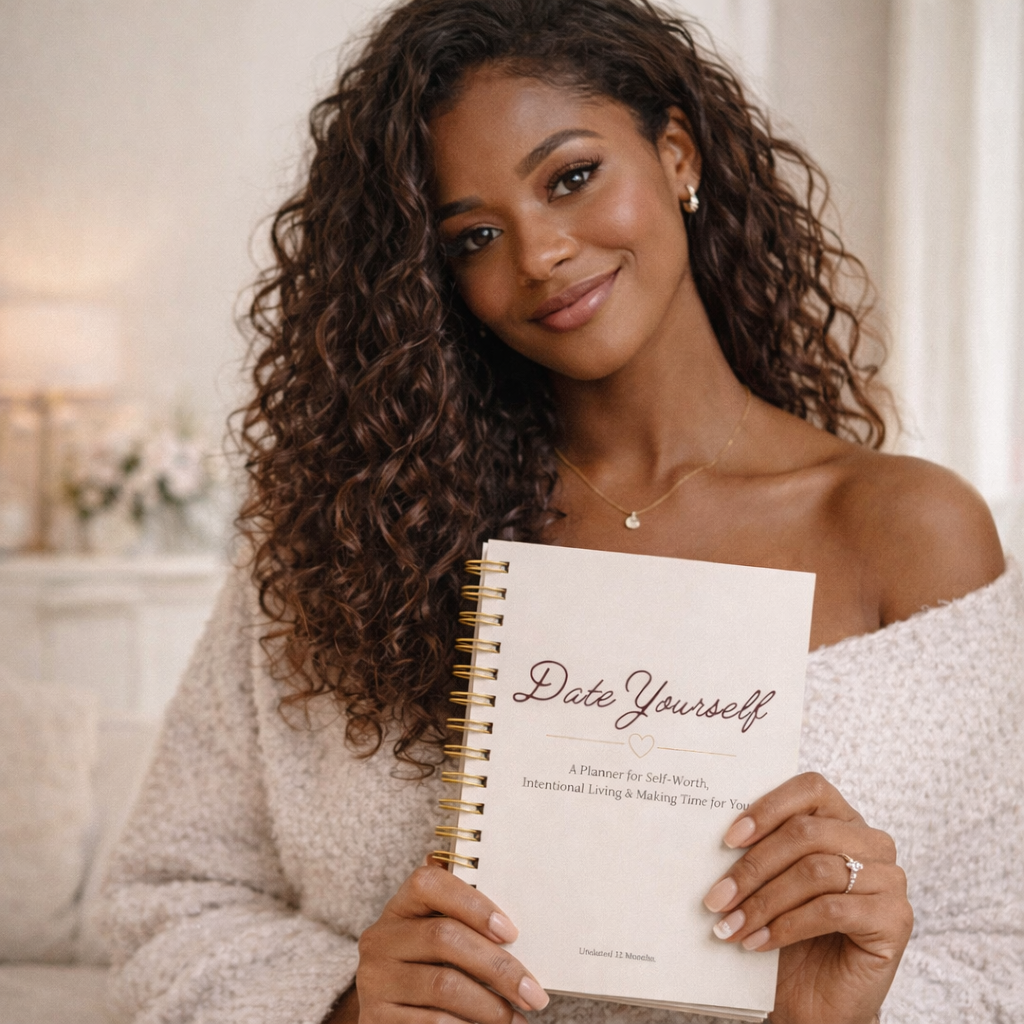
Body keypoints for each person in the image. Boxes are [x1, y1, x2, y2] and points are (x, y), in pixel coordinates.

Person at [101, 1, 1023, 1022]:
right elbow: (165, 898)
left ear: (675, 154)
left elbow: (1002, 948)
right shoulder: (350, 538)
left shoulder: (910, 531)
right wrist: (346, 1003)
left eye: (571, 177)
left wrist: (834, 1013)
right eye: (473, 236)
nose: (537, 253)